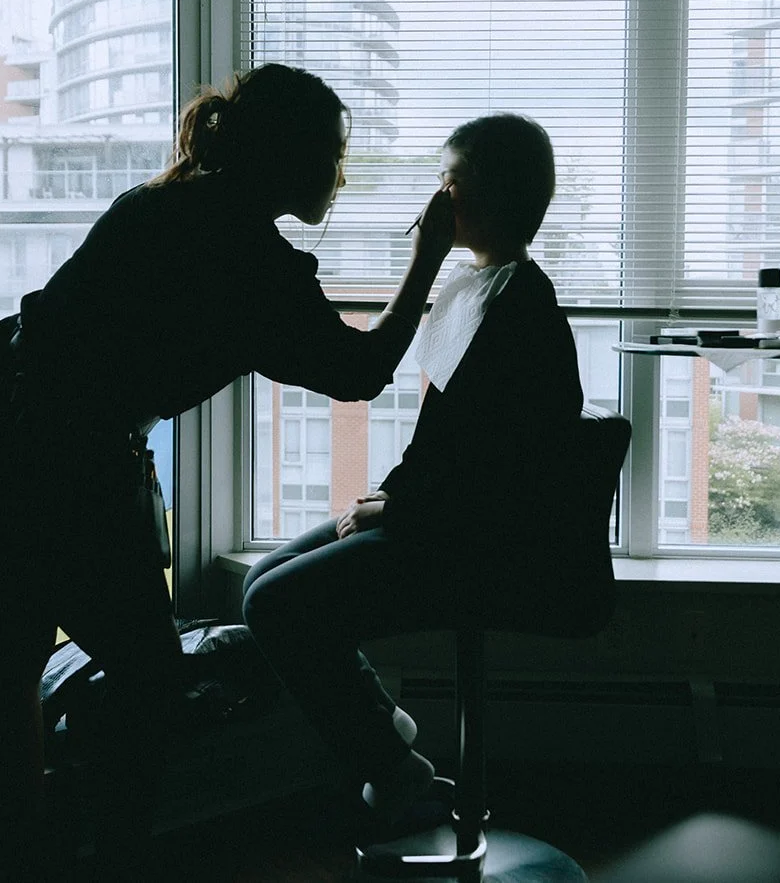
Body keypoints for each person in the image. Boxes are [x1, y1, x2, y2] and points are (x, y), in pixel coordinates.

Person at [0, 63, 455, 879]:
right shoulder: (244, 256)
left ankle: (28, 854)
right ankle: (108, 858)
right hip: (53, 449)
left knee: (14, 666)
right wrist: (427, 256)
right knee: (147, 680)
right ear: (290, 154)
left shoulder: (175, 203)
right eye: (332, 155)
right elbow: (361, 370)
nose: (339, 177)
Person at [241, 113, 600, 829]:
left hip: (485, 542)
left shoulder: (517, 306)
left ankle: (391, 766)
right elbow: (447, 443)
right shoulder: (476, 287)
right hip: (443, 515)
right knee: (260, 581)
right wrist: (391, 495)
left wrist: (392, 509)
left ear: (491, 195)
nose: (437, 197)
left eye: (450, 181)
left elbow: (497, 475)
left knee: (277, 605)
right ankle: (382, 730)